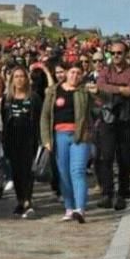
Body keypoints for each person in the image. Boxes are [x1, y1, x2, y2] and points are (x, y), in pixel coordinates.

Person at [94, 41, 130, 212]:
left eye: (119, 53)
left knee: (124, 158)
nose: (116, 56)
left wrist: (111, 89)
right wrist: (122, 90)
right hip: (108, 117)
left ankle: (122, 192)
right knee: (105, 157)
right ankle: (107, 193)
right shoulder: (105, 70)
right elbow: (100, 86)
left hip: (126, 118)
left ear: (125, 54)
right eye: (113, 53)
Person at [40, 64, 91, 223]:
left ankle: (80, 209)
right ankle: (69, 207)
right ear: (66, 74)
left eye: (78, 73)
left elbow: (103, 99)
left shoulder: (84, 91)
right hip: (59, 135)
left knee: (78, 171)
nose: (75, 76)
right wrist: (46, 139)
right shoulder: (53, 92)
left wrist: (98, 91)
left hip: (79, 135)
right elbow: (45, 116)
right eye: (72, 72)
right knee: (63, 173)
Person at [1, 67, 43, 219]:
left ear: (26, 79)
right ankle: (20, 200)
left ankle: (27, 201)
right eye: (16, 77)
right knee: (16, 171)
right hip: (12, 138)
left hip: (29, 138)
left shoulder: (33, 98)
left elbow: (40, 119)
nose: (19, 79)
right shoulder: (7, 99)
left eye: (22, 76)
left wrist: (41, 139)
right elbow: (3, 119)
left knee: (27, 171)